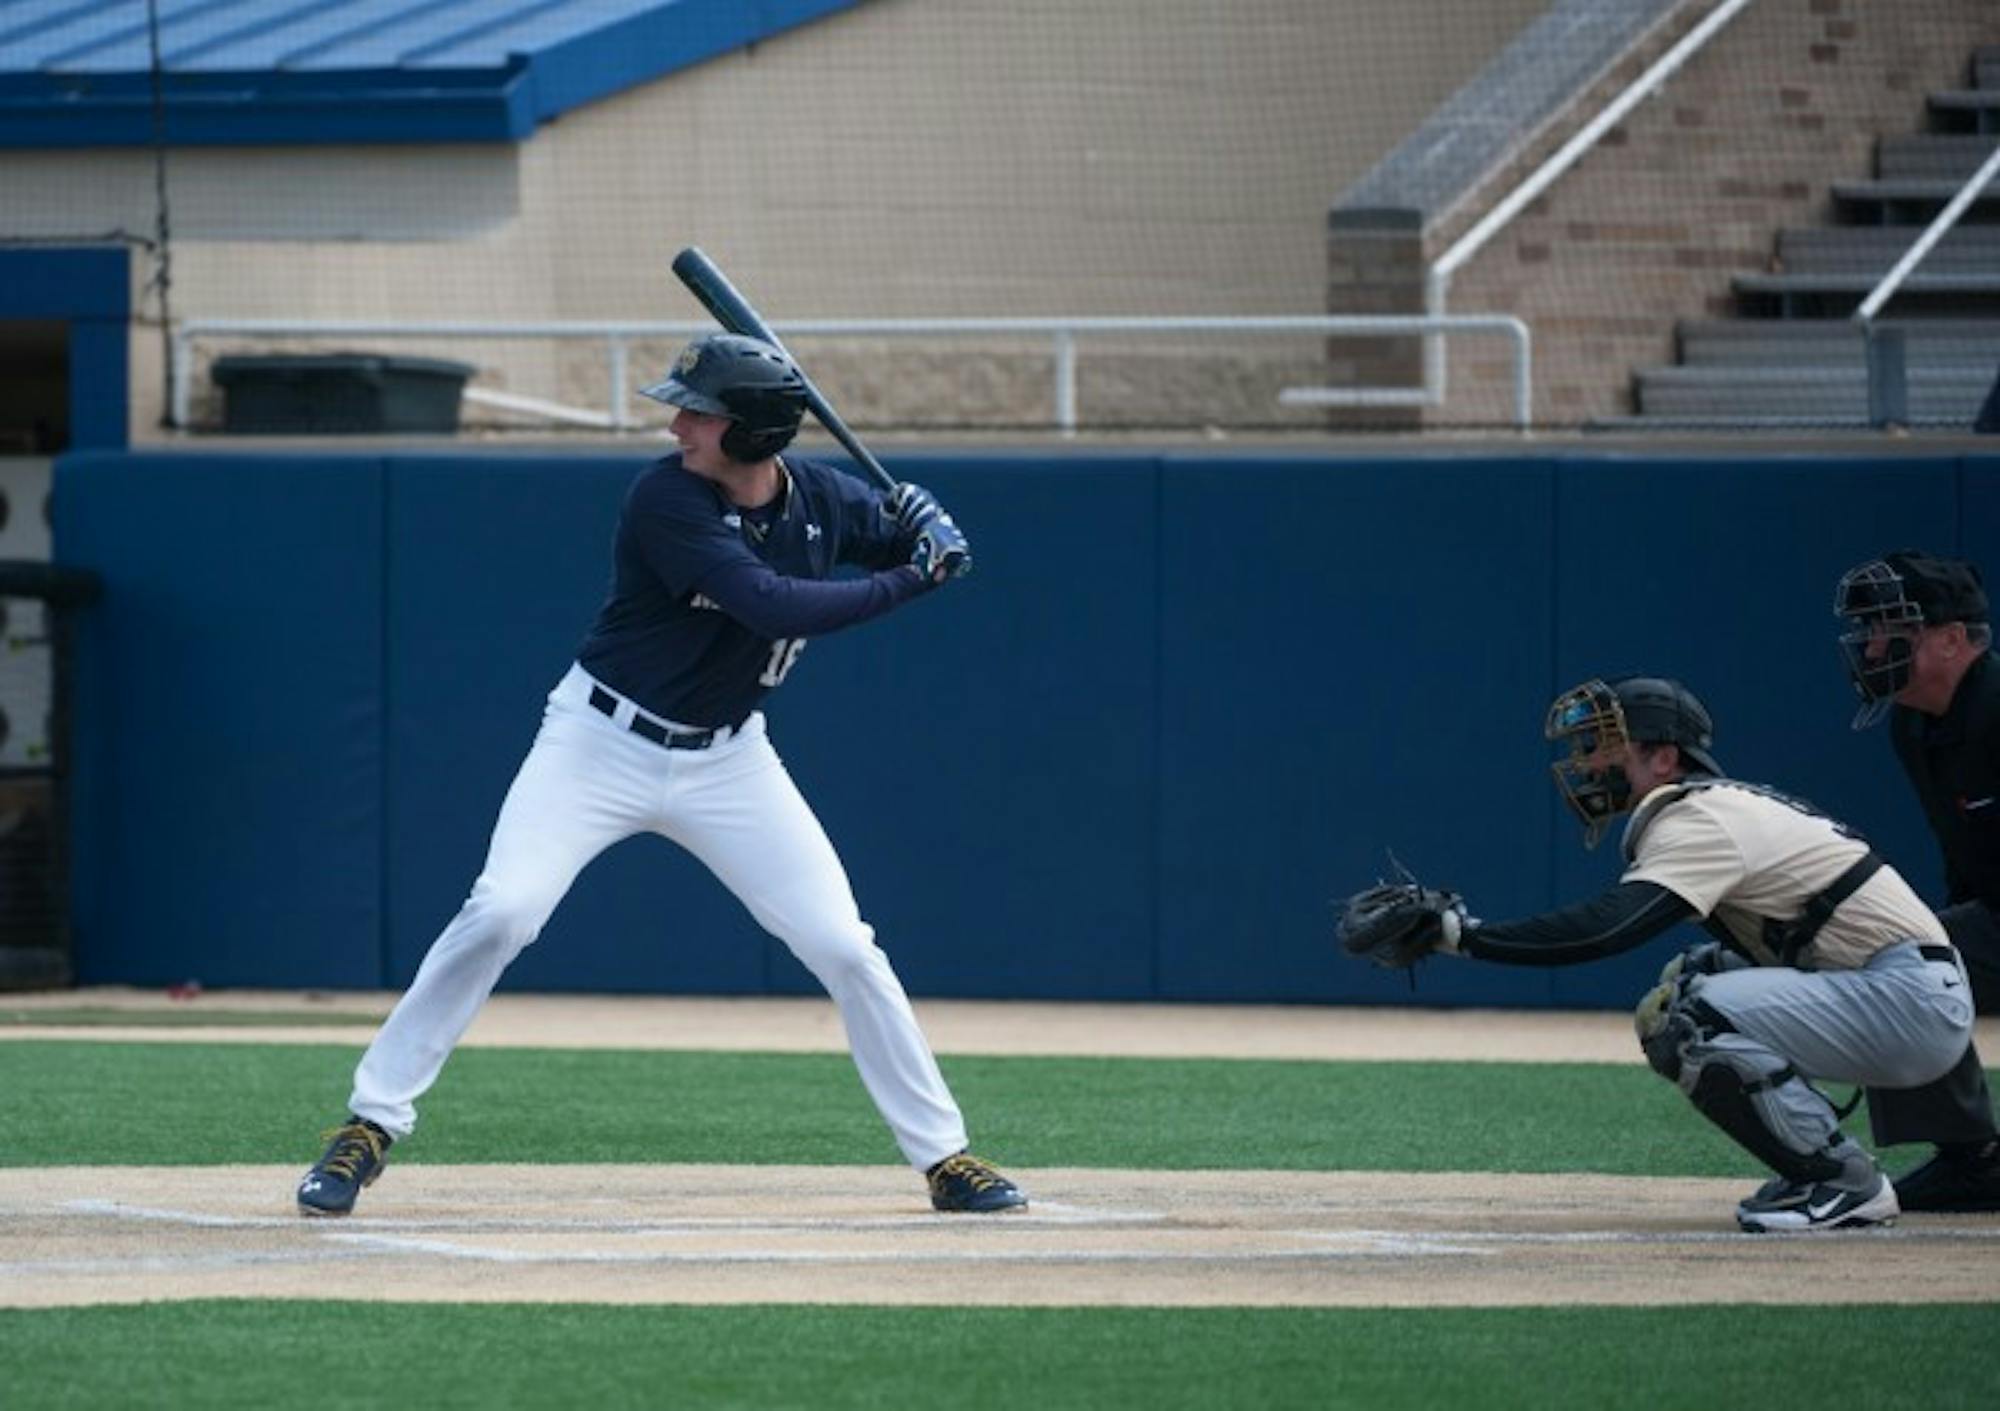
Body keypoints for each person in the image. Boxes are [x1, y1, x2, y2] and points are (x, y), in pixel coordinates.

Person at [297, 332, 1026, 1217]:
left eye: (702, 413)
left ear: (754, 435)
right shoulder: (664, 499)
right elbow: (773, 602)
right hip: (597, 743)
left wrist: (920, 524)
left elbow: (891, 538)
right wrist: (918, 576)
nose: (679, 423)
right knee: (503, 909)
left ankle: (945, 1155)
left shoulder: (828, 502)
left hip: (729, 759)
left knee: (844, 944)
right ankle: (369, 1122)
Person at [1363, 675, 1974, 1232]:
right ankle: (1823, 1171)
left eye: (1605, 745)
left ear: (1663, 758)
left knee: (1687, 1015)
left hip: (1906, 999)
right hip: (1897, 988)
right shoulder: (1717, 806)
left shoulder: (1699, 816)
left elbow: (1606, 930)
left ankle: (1843, 1182)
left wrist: (1464, 936)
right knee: (1693, 975)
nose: (1587, 762)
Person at [1833, 550, 2000, 1211]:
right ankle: (1971, 1157)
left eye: (1889, 629)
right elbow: (1964, 850)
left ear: (1952, 638)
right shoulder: (1913, 722)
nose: (1872, 646)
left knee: (1909, 957)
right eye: (1868, 630)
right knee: (1903, 958)